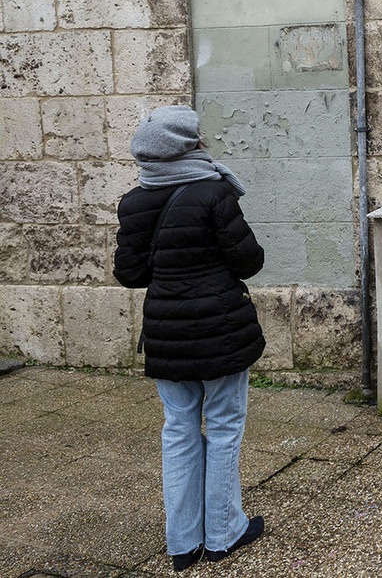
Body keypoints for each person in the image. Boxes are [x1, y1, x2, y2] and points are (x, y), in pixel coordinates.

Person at [113, 105, 266, 572]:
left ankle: (182, 545)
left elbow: (130, 273)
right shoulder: (214, 192)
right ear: (188, 144)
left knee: (178, 432)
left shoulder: (134, 201)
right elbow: (249, 261)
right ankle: (222, 535)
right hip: (219, 331)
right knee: (223, 429)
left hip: (167, 334)